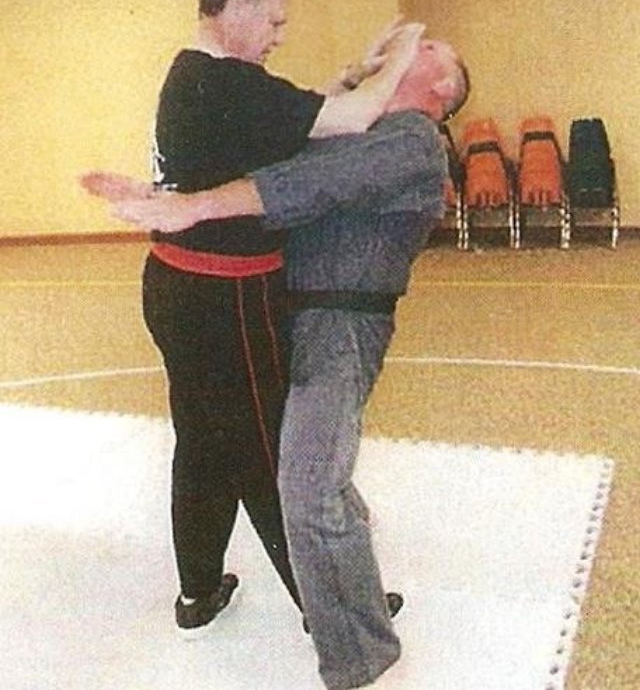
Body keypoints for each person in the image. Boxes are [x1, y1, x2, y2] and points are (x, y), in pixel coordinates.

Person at [83, 38, 470, 689]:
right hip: (284, 313)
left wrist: (190, 206)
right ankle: (326, 594)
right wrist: (163, 193)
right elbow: (274, 153)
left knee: (309, 487)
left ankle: (361, 658)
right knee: (259, 454)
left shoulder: (414, 140)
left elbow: (308, 183)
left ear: (441, 91)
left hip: (339, 330)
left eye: (432, 48)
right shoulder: (366, 128)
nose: (417, 42)